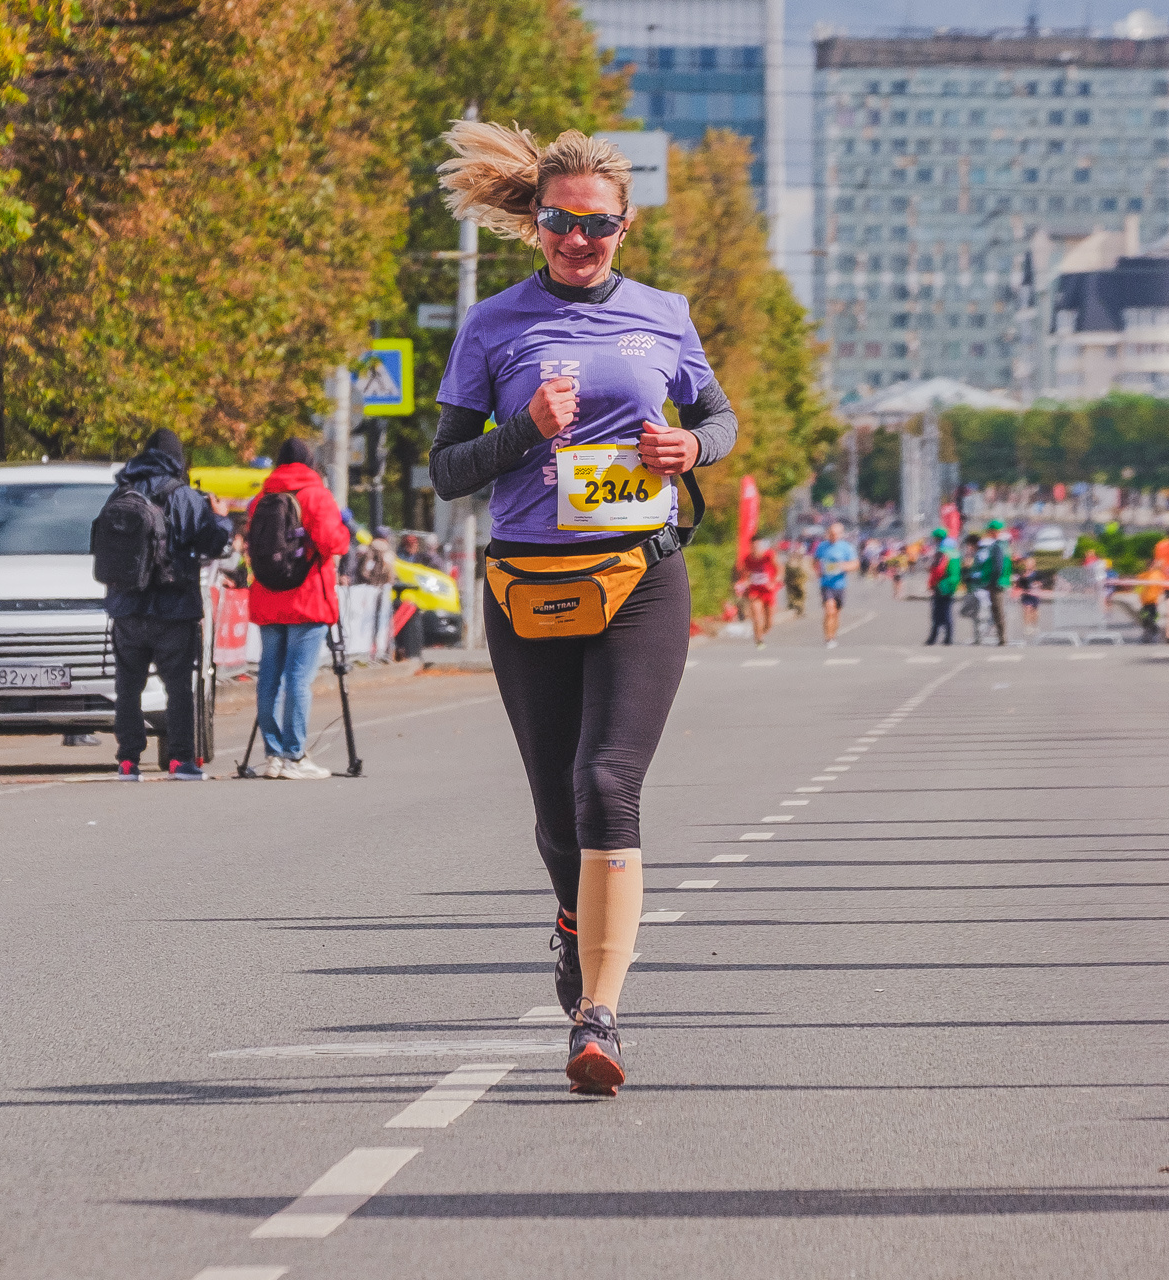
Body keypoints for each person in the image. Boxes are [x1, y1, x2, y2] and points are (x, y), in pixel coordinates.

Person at [429, 119, 737, 1096]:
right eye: (561, 222)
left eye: (596, 226)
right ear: (537, 221)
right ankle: (571, 917)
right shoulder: (492, 325)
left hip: (642, 570)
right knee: (558, 810)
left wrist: (694, 450)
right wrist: (526, 428)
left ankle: (597, 1016)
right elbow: (443, 470)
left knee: (608, 782)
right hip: (529, 580)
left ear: (624, 224)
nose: (578, 240)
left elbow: (718, 417)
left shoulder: (664, 314)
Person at [101, 428, 232, 780]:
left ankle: (127, 761)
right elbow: (214, 543)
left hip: (126, 608)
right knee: (178, 688)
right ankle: (180, 760)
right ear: (178, 459)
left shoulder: (120, 492)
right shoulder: (184, 496)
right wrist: (220, 517)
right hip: (173, 609)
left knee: (128, 687)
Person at [247, 437, 351, 778]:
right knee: (298, 678)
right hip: (307, 598)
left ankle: (273, 756)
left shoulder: (261, 498)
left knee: (269, 678)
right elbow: (333, 542)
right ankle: (295, 755)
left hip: (267, 597)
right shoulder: (316, 494)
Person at [813, 521, 858, 649]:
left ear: (841, 534)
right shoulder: (822, 546)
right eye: (831, 534)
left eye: (836, 534)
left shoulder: (846, 547)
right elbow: (815, 562)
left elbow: (855, 564)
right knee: (829, 610)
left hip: (840, 584)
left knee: (836, 613)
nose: (834, 536)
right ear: (828, 534)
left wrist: (843, 566)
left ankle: (833, 635)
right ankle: (828, 638)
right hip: (826, 584)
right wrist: (818, 571)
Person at [968, 519, 1012, 645]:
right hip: (1001, 581)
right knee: (997, 610)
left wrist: (992, 581)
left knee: (997, 610)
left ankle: (1002, 638)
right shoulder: (1005, 545)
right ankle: (1001, 637)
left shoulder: (998, 546)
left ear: (994, 531)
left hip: (996, 582)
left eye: (990, 531)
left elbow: (998, 566)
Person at [737, 536, 780, 648]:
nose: (755, 548)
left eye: (757, 546)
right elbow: (745, 575)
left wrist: (774, 582)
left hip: (768, 590)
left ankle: (763, 631)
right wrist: (743, 584)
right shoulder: (747, 559)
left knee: (769, 622)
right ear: (751, 547)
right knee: (756, 614)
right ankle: (759, 639)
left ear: (761, 546)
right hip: (755, 590)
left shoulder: (769, 556)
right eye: (753, 546)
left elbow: (779, 569)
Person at [924, 526, 959, 645]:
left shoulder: (941, 552)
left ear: (938, 539)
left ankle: (933, 638)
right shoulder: (954, 551)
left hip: (941, 584)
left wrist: (932, 583)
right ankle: (948, 637)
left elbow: (938, 570)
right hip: (952, 583)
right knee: (947, 611)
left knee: (937, 613)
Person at [1017, 553, 1041, 637]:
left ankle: (1035, 625)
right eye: (1027, 563)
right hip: (1026, 594)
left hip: (1034, 594)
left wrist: (1037, 584)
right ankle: (1027, 626)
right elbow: (1019, 584)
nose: (1028, 564)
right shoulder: (1023, 574)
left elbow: (1041, 581)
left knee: (1034, 611)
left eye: (1030, 563)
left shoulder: (1036, 573)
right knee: (1027, 609)